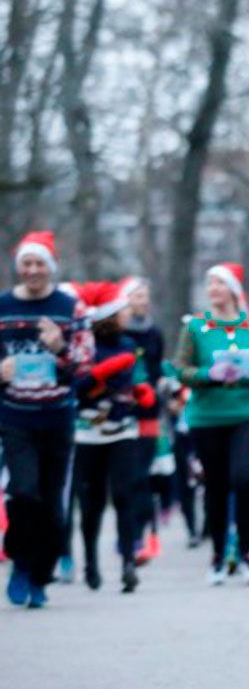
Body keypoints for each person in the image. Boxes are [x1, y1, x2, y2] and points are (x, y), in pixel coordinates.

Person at [1, 232, 94, 608]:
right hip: (15, 416)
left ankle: (41, 576)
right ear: (18, 267)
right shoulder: (3, 306)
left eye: (40, 263)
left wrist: (59, 348)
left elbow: (85, 368)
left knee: (53, 504)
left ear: (51, 267)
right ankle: (20, 562)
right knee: (24, 492)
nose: (33, 270)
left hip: (57, 417)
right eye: (27, 263)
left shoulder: (70, 308)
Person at [171, 262, 249, 586]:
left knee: (243, 479)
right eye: (209, 283)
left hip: (246, 413)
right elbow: (180, 369)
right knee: (215, 486)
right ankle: (217, 555)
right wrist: (206, 375)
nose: (212, 289)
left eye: (218, 283)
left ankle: (246, 552)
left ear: (233, 289)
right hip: (206, 415)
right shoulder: (195, 327)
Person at [71, 281, 156, 593]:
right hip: (88, 433)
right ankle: (90, 561)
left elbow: (138, 377)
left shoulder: (129, 344)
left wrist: (141, 390)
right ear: (109, 315)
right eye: (123, 311)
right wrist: (101, 372)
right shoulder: (85, 345)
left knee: (124, 496)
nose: (128, 314)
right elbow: (76, 387)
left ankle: (128, 564)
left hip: (123, 430)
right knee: (91, 502)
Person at [121, 277, 167, 566]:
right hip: (121, 413)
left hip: (149, 412)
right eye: (137, 296)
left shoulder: (155, 333)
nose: (142, 301)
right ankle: (129, 534)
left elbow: (157, 367)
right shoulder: (117, 333)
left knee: (143, 477)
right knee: (127, 479)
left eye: (145, 296)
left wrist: (162, 387)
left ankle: (143, 536)